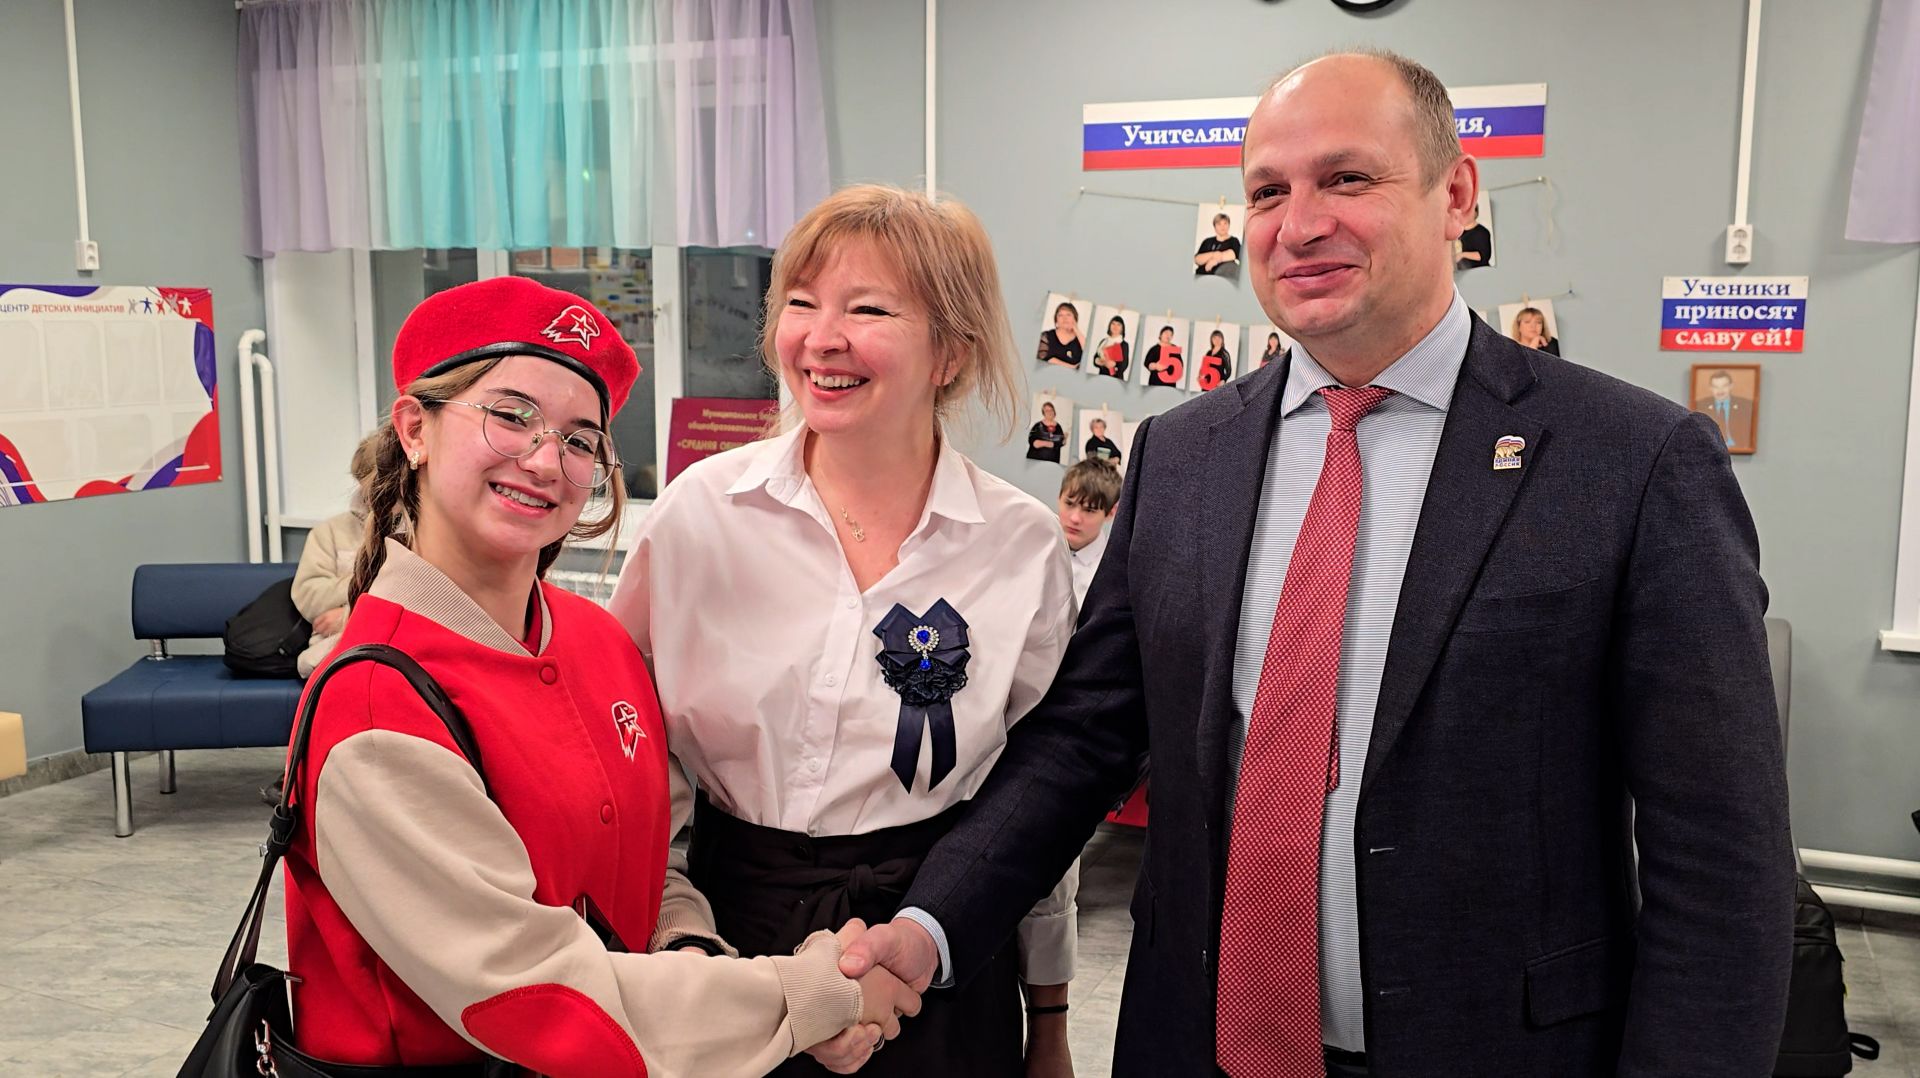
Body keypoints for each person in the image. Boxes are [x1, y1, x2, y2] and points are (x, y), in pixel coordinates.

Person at [844, 49, 1792, 1078]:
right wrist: (931, 925)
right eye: (1266, 192)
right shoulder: (1182, 453)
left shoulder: (1631, 462)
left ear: (1456, 196)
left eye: (1347, 178)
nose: (1298, 225)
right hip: (1194, 1044)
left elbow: (1720, 859)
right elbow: (1085, 737)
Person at [281, 276, 915, 1077]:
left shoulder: (599, 641)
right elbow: (534, 994)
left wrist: (689, 947)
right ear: (415, 429)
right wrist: (808, 995)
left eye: (581, 440)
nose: (547, 461)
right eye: (511, 416)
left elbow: (654, 868)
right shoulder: (376, 707)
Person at [607, 184, 1077, 1078]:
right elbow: (626, 749)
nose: (822, 338)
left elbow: (1037, 799)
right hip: (724, 943)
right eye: (800, 302)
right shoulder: (702, 515)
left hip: (936, 944)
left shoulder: (1019, 545)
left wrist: (1048, 1018)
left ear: (951, 352)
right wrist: (673, 933)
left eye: (867, 309)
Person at [291, 501, 366, 679]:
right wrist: (362, 580)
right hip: (332, 650)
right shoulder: (329, 531)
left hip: (397, 647)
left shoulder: (419, 528)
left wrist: (350, 617)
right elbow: (308, 597)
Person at [1693, 369, 1756, 451]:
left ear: (1731, 386)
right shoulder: (1701, 405)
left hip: (1738, 449)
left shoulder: (1745, 405)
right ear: (1710, 388)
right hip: (1710, 451)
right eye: (1715, 387)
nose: (1720, 390)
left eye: (1724, 386)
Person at [1037, 301, 1085, 368]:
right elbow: (1044, 358)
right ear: (1056, 320)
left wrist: (1076, 330)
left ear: (1075, 318)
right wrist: (1072, 367)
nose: (1065, 318)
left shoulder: (1080, 338)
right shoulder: (1046, 336)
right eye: (1060, 315)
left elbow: (1088, 355)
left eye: (1068, 315)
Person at [1195, 212, 1243, 278]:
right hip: (1203, 275)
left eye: (1225, 223)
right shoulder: (1207, 241)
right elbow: (1197, 259)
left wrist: (1215, 261)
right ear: (1214, 226)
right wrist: (1214, 254)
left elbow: (1233, 254)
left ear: (1229, 225)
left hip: (1224, 275)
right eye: (1219, 224)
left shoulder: (1233, 241)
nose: (1222, 226)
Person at [1455, 198, 1491, 271]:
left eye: (1469, 211)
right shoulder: (1457, 232)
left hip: (1480, 272)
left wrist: (1462, 255)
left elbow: (1483, 256)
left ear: (1476, 213)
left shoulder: (1482, 232)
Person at [1092, 315, 1130, 380]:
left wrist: (1114, 364)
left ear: (1122, 328)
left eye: (1118, 325)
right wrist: (1101, 362)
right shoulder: (1104, 341)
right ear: (1109, 326)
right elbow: (1095, 358)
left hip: (1115, 378)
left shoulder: (1123, 344)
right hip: (1101, 376)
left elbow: (1124, 365)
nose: (1115, 326)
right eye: (1113, 324)